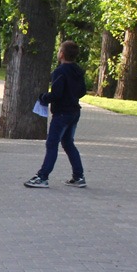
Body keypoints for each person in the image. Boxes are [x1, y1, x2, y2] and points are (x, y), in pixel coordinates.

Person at [25, 39, 87, 189]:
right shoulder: (78, 70)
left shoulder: (60, 72)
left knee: (52, 144)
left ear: (62, 54)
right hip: (74, 112)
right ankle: (78, 176)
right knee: (68, 143)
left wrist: (43, 97)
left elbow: (57, 94)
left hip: (62, 114)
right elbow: (82, 91)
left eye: (59, 50)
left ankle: (42, 177)